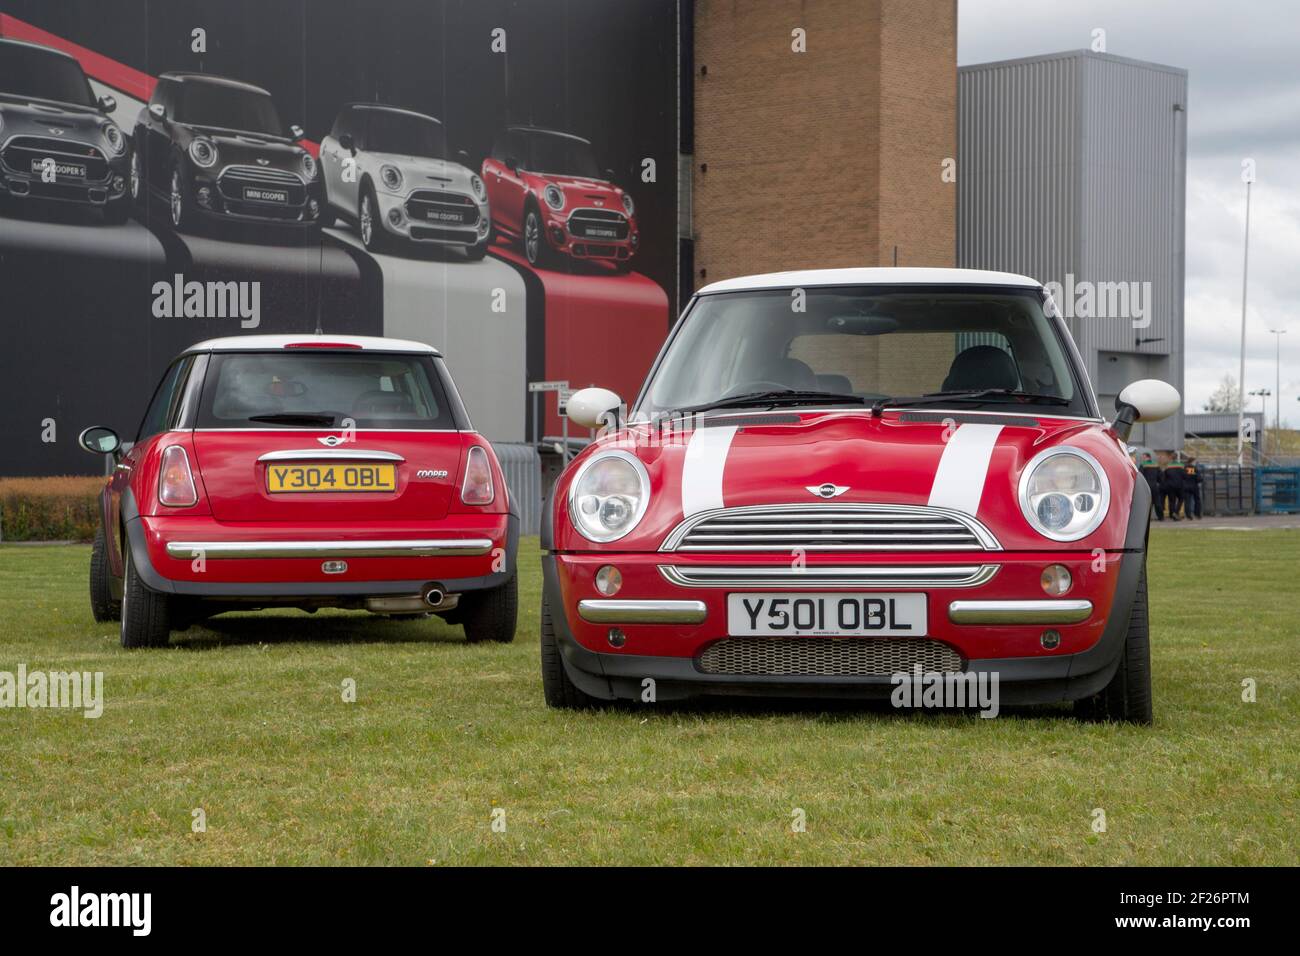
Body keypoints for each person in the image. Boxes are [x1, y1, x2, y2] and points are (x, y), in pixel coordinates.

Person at [1160, 450, 1186, 520]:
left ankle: (1171, 514)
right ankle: (1176, 512)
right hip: (1179, 486)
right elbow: (1184, 476)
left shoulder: (1167, 467)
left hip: (1170, 486)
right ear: (1177, 457)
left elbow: (1163, 477)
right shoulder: (1181, 466)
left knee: (1172, 501)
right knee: (1181, 499)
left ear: (1171, 458)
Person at [1138, 451, 1163, 520]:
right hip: (1155, 486)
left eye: (1143, 457)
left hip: (1146, 487)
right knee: (1157, 502)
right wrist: (1158, 483)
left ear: (1147, 457)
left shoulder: (1143, 465)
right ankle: (1161, 517)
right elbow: (1160, 476)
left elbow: (1140, 476)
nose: (1142, 458)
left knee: (1147, 503)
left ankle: (1147, 519)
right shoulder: (1156, 465)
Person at [1183, 455, 1204, 519]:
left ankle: (1188, 515)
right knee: (1197, 500)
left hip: (1186, 486)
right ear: (1192, 462)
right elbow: (1199, 478)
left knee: (1187, 501)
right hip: (1194, 486)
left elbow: (1182, 477)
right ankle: (1197, 514)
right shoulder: (1195, 468)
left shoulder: (1184, 468)